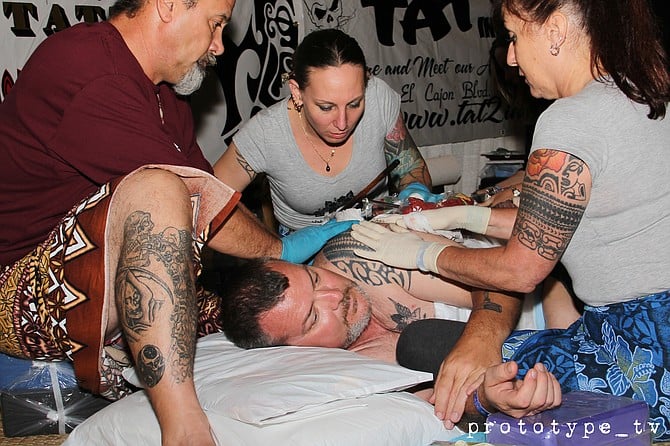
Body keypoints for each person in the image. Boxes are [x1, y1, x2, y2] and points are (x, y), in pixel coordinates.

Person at [0, 0, 346, 444]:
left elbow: (219, 198)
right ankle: (183, 428)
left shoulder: (166, 95)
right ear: (168, 6)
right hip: (15, 285)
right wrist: (277, 249)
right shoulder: (85, 67)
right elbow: (198, 205)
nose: (219, 46)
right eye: (215, 24)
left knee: (267, 301)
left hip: (93, 268)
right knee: (161, 190)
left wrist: (280, 252)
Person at [351, 0, 670, 438]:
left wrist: (427, 253)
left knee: (468, 386)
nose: (511, 56)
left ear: (555, 30)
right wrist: (464, 217)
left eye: (516, 36)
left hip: (642, 348)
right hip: (651, 327)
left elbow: (522, 268)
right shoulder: (642, 88)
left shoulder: (570, 119)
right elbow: (564, 220)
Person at [214, 230, 561, 421]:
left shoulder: (360, 258)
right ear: (294, 352)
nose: (335, 296)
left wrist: (480, 341)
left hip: (552, 298)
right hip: (536, 369)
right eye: (313, 318)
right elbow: (444, 404)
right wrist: (490, 398)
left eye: (315, 279)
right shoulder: (343, 379)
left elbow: (501, 278)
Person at [213, 28, 432, 233]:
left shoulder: (378, 97)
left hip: (378, 231)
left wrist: (414, 197)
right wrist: (273, 248)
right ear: (297, 92)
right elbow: (206, 204)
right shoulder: (265, 133)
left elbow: (410, 167)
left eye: (355, 103)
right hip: (307, 251)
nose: (343, 123)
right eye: (326, 107)